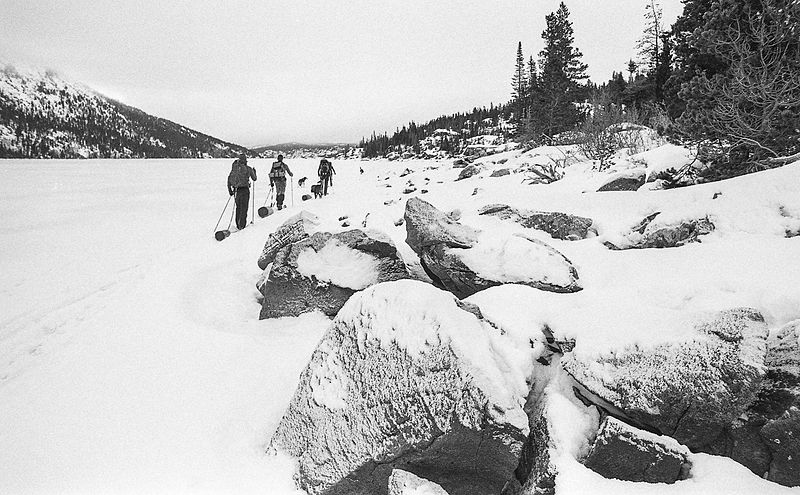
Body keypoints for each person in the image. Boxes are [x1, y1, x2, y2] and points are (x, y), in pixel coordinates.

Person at [227, 152, 257, 230]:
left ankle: (238, 224)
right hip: (244, 190)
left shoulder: (234, 168)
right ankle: (242, 226)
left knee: (238, 207)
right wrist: (255, 172)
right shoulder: (248, 168)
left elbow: (229, 178)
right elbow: (254, 179)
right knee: (244, 208)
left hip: (236, 190)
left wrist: (230, 190)